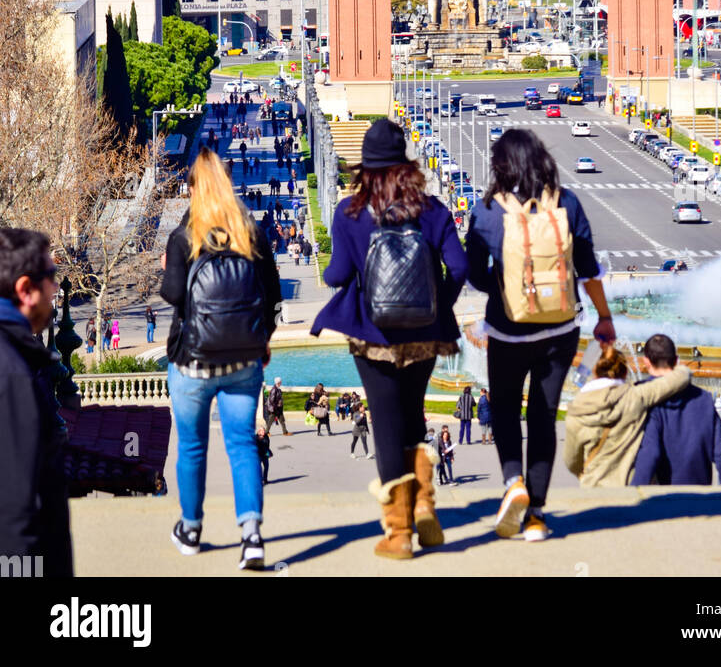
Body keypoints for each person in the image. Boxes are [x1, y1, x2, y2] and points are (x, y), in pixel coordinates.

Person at [312, 117, 468, 560]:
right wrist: (438, 305)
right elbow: (459, 269)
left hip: (373, 337)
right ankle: (423, 505)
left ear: (367, 167)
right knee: (413, 419)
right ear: (406, 164)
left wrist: (332, 270)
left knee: (385, 425)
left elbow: (338, 274)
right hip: (424, 336)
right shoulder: (433, 210)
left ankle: (399, 533)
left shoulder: (351, 213)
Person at [466, 128, 615, 543]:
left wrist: (506, 285)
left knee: (508, 412)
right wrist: (604, 318)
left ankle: (513, 481)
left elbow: (474, 273)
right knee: (544, 417)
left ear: (499, 166)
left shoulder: (487, 211)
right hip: (559, 330)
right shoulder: (566, 203)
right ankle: (535, 516)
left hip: (507, 330)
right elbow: (588, 270)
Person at [160, 147, 282, 570]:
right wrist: (262, 338)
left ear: (194, 188)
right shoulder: (250, 231)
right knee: (243, 446)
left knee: (192, 448)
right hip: (243, 360)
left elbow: (173, 295)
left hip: (192, 359)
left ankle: (191, 529)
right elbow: (271, 293)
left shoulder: (184, 234)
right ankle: (251, 536)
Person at [0, 227, 72, 577]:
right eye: (51, 277)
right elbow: (16, 510)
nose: (56, 289)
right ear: (26, 289)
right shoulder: (11, 373)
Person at [564, 344, 690, 487]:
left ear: (595, 373)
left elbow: (571, 461)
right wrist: (679, 365)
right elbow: (679, 378)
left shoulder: (577, 408)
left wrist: (587, 474)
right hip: (629, 486)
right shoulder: (636, 396)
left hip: (593, 486)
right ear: (624, 373)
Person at [632, 334, 721, 487]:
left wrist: (634, 493)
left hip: (661, 499)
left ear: (646, 361)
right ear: (676, 361)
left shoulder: (643, 397)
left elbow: (650, 453)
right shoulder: (705, 399)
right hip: (698, 497)